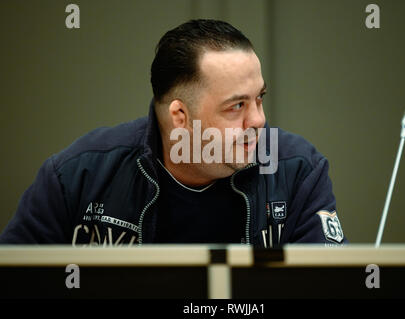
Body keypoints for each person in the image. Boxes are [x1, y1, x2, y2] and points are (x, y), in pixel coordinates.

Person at [0, 19, 346, 246]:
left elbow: (330, 287)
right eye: (237, 106)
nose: (258, 121)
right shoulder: (78, 176)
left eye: (260, 98)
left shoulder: (298, 170)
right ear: (180, 115)